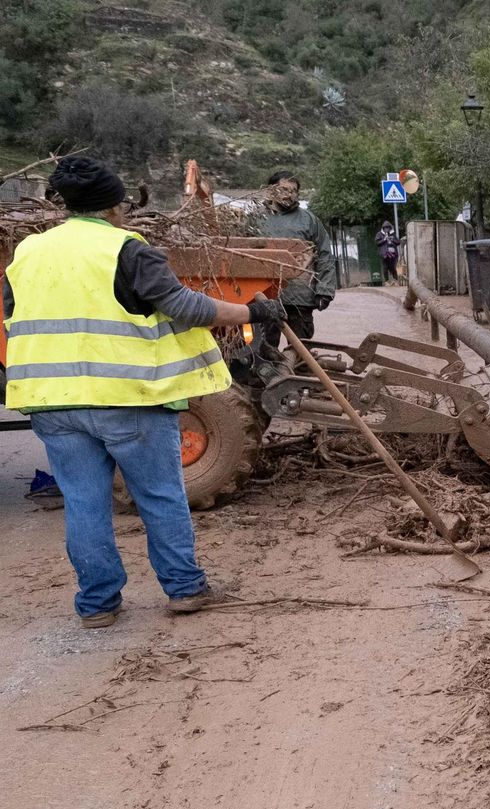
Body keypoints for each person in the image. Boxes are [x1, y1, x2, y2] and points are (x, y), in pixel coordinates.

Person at [1, 157, 286, 628]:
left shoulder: (28, 252)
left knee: (84, 503)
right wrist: (251, 313)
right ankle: (185, 589)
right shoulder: (127, 250)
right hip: (128, 398)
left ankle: (97, 605)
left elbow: (15, 314)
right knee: (159, 496)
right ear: (114, 207)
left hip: (53, 403)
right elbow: (185, 306)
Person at [254, 170, 336, 350]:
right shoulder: (256, 219)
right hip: (264, 295)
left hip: (300, 296)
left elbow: (324, 254)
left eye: (293, 191)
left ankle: (297, 374)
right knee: (262, 349)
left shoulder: (309, 220)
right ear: (271, 190)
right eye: (283, 189)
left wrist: (324, 290)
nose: (288, 194)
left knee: (301, 349)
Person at [377, 219, 400, 284]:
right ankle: (386, 281)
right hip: (384, 254)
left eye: (388, 227)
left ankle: (395, 281)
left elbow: (398, 242)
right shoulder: (379, 234)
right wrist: (384, 239)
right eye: (385, 228)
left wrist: (392, 239)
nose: (387, 229)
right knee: (385, 268)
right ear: (383, 228)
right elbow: (377, 243)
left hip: (393, 254)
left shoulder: (393, 234)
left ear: (390, 228)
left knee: (393, 267)